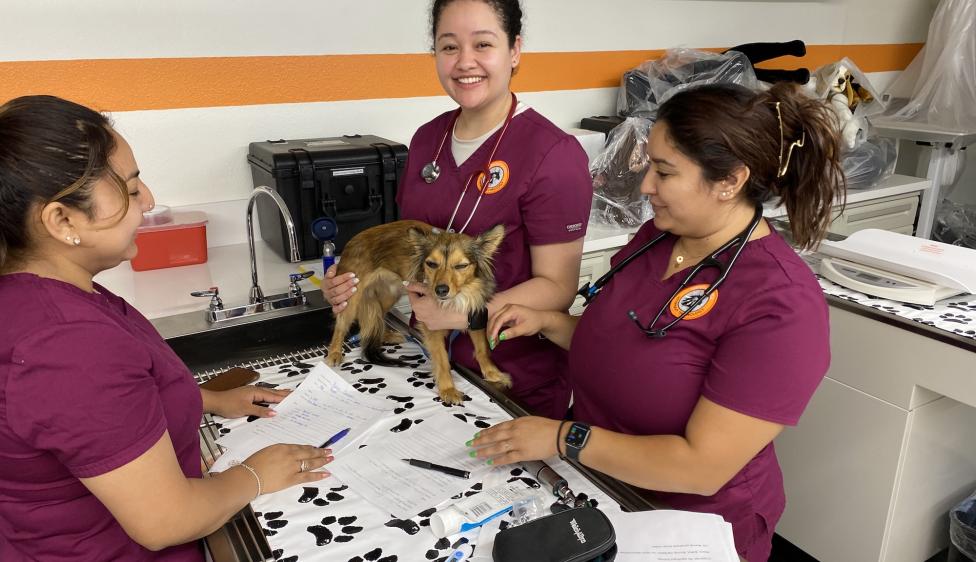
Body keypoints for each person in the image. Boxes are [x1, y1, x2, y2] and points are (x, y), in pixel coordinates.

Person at [469, 82, 846, 561]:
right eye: (649, 164)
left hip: (690, 522)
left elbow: (700, 467)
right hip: (599, 489)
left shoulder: (781, 304)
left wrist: (561, 437)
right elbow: (630, 345)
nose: (646, 186)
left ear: (729, 180)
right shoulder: (657, 239)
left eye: (663, 172)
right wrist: (546, 321)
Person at [0, 95, 332, 561]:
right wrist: (256, 475)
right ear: (62, 220)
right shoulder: (65, 345)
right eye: (132, 190)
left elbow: (92, 415)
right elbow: (164, 521)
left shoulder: (40, 296)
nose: (150, 201)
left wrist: (208, 400)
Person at [322, 0, 592, 418]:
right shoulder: (426, 140)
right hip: (426, 361)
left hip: (509, 380)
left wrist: (462, 313)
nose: (465, 62)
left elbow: (557, 288)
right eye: (449, 47)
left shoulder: (554, 154)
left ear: (514, 50)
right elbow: (411, 256)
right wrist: (350, 282)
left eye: (483, 44)